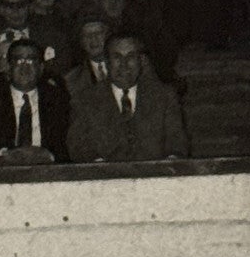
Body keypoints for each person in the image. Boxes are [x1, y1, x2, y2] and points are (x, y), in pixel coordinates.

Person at [67, 34, 189, 163]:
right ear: (107, 62)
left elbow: (177, 143)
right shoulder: (84, 101)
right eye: (117, 57)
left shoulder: (164, 97)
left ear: (141, 61)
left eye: (130, 57)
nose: (124, 65)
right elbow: (78, 146)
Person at [0, 39, 69, 165]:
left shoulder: (58, 99)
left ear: (41, 68)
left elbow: (66, 148)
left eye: (31, 60)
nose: (25, 66)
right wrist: (4, 156)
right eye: (18, 60)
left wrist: (47, 156)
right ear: (8, 67)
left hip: (48, 171)